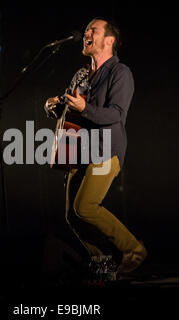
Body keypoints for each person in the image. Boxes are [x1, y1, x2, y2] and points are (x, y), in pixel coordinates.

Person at [44, 18, 147, 275]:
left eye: (93, 30)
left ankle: (134, 249)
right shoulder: (82, 74)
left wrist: (84, 108)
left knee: (85, 207)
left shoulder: (120, 72)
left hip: (106, 151)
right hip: (79, 151)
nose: (86, 33)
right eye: (86, 29)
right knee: (72, 216)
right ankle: (102, 262)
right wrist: (55, 106)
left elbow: (115, 115)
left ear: (109, 40)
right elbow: (73, 112)